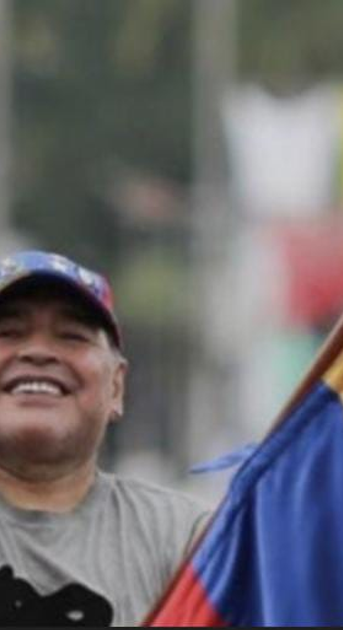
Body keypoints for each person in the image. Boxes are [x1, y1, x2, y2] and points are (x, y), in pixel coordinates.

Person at [0, 251, 208, 626]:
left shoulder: (189, 542)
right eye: (8, 333)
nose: (38, 352)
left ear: (116, 386)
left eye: (71, 337)